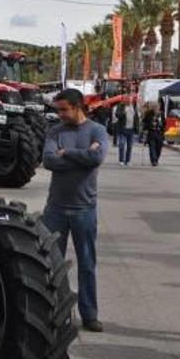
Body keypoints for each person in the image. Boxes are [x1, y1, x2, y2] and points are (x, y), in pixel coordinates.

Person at [42, 89, 109, 332]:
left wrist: (67, 153)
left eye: (63, 109)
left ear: (77, 106)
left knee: (87, 263)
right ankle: (54, 312)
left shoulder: (97, 131)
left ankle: (89, 314)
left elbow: (97, 157)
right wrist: (83, 156)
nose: (60, 114)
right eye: (57, 110)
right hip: (55, 209)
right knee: (51, 264)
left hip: (84, 209)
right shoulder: (55, 131)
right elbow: (49, 161)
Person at [114, 100, 138, 166]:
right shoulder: (121, 106)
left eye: (131, 99)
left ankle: (128, 160)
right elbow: (117, 114)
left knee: (130, 146)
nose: (130, 101)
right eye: (129, 99)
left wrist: (137, 128)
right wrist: (124, 112)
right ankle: (121, 160)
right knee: (122, 144)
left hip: (131, 129)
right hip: (123, 129)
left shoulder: (134, 106)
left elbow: (136, 118)